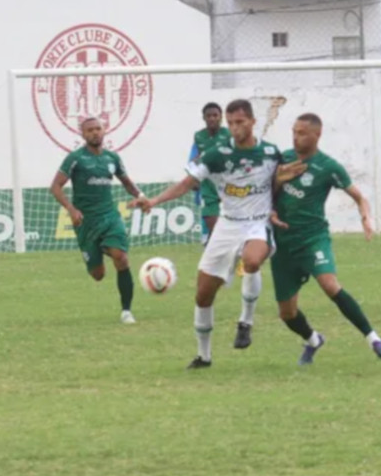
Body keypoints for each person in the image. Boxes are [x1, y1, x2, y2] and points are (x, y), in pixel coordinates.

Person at [131, 99, 305, 368]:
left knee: (252, 260)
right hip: (227, 224)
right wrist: (153, 201)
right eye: (231, 123)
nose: (235, 128)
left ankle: (245, 322)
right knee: (203, 294)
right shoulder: (216, 154)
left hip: (257, 223)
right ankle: (204, 356)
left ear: (252, 122)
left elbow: (280, 182)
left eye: (240, 122)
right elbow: (187, 183)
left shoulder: (271, 153)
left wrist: (279, 206)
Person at [270, 113, 381, 365]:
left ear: (317, 135)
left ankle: (375, 340)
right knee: (287, 313)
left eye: (302, 132)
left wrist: (365, 217)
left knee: (330, 285)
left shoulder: (328, 167)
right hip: (283, 243)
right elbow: (265, 194)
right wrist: (275, 188)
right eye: (294, 131)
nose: (296, 137)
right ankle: (314, 339)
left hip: (312, 238)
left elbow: (358, 196)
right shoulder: (283, 159)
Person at [50, 117, 143, 324]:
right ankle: (100, 247)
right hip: (86, 222)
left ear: (104, 130)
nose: (95, 133)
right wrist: (71, 209)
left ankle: (126, 311)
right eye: (90, 130)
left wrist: (141, 197)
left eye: (98, 129)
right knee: (98, 274)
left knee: (121, 257)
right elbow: (55, 187)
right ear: (83, 134)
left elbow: (126, 182)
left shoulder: (112, 158)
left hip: (110, 216)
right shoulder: (75, 158)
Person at [190, 102, 232, 244]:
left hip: (228, 183)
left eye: (215, 115)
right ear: (204, 118)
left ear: (221, 117)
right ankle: (213, 243)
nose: (212, 118)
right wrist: (193, 176)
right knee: (214, 230)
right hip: (209, 185)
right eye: (209, 116)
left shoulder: (228, 134)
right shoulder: (199, 136)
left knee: (233, 225)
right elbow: (197, 158)